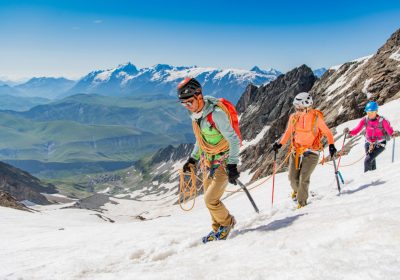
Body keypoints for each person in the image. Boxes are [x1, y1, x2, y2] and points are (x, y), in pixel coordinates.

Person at [178, 77, 240, 243]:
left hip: (224, 161)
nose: (188, 107)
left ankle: (227, 224)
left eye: (189, 102)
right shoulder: (196, 116)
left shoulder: (216, 115)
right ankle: (217, 229)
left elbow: (233, 140)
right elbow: (200, 139)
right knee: (209, 199)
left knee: (210, 199)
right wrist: (193, 158)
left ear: (199, 96)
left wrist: (233, 165)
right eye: (184, 104)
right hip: (208, 161)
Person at [272, 92, 337, 208]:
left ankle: (302, 203)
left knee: (303, 178)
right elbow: (288, 132)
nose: (298, 110)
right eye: (296, 108)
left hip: (312, 151)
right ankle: (297, 191)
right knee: (292, 178)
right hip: (296, 150)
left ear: (307, 106)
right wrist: (279, 144)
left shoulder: (316, 118)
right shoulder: (294, 117)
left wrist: (331, 145)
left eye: (300, 108)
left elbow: (327, 132)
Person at [343, 101, 399, 172]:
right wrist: (349, 132)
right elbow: (357, 130)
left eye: (372, 112)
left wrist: (394, 133)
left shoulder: (383, 121)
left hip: (380, 144)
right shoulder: (365, 120)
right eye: (368, 112)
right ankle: (373, 176)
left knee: (367, 161)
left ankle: (367, 178)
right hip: (368, 143)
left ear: (376, 111)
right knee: (371, 160)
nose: (370, 114)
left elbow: (390, 131)